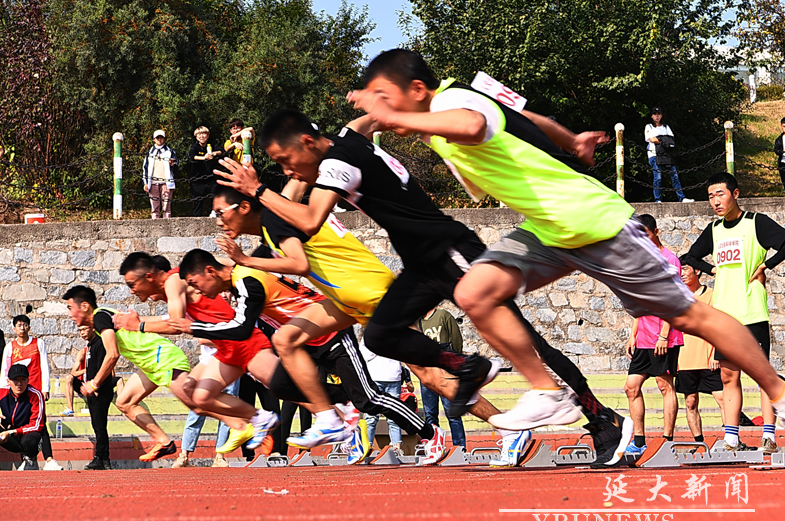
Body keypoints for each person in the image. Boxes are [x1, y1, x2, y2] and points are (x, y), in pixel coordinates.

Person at [347, 48, 785, 453]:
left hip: (594, 223)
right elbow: (521, 118)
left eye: (386, 98)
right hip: (551, 228)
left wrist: (396, 119)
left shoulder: (449, 106)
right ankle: (548, 392)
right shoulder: (459, 98)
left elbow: (474, 124)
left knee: (690, 316)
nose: (382, 109)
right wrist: (570, 140)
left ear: (417, 90)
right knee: (475, 292)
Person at [214, 110, 632, 468]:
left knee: (527, 342)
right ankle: (467, 366)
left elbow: (307, 222)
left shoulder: (335, 166)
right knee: (381, 336)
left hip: (448, 249)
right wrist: (394, 113)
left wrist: (257, 190)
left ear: (307, 142)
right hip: (419, 264)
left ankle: (603, 421)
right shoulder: (346, 136)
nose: (286, 169)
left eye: (285, 160)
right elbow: (369, 119)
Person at [173, 248, 441, 465]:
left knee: (368, 398)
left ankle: (430, 434)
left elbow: (242, 329)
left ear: (210, 271)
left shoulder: (246, 280)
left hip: (329, 335)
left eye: (196, 284)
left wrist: (192, 327)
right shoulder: (240, 278)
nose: (198, 292)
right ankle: (340, 411)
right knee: (281, 385)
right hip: (303, 343)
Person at [115, 251, 279, 457]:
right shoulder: (173, 288)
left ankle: (327, 412)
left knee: (292, 390)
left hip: (243, 343)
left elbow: (175, 325)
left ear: (149, 277)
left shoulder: (173, 281)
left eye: (132, 284)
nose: (131, 291)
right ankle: (251, 421)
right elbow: (169, 318)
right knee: (197, 394)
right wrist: (136, 323)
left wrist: (139, 326)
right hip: (227, 347)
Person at [682, 172, 785, 452]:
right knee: (727, 377)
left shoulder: (755, 222)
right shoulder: (714, 229)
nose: (715, 201)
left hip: (752, 311)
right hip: (724, 315)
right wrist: (713, 269)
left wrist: (765, 266)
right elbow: (689, 256)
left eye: (720, 194)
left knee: (762, 376)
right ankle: (732, 438)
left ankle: (769, 436)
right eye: (711, 196)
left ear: (735, 194)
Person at [62, 285, 193, 462]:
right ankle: (164, 442)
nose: (69, 315)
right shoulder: (105, 315)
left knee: (200, 403)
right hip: (150, 365)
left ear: (84, 306)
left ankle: (241, 421)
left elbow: (112, 354)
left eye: (71, 308)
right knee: (124, 402)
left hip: (163, 358)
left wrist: (94, 383)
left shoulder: (99, 317)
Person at [623, 215, 683, 455]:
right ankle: (639, 441)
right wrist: (633, 335)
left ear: (656, 232)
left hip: (664, 335)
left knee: (664, 385)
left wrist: (664, 334)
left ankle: (667, 442)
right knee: (631, 387)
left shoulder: (670, 260)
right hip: (644, 337)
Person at [0, 314, 63, 470]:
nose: (22, 328)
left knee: (40, 425)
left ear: (29, 327)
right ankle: (28, 459)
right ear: (14, 328)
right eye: (19, 325)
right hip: (16, 392)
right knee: (20, 424)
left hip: (34, 391)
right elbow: (5, 370)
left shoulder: (38, 343)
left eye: (25, 325)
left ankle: (49, 459)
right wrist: (4, 395)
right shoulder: (10, 347)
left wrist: (45, 388)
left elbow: (44, 366)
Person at [676, 254, 724, 443]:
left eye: (686, 269)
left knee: (722, 399)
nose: (682, 273)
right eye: (679, 269)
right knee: (690, 402)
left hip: (708, 358)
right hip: (684, 358)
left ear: (697, 270)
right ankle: (699, 442)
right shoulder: (677, 296)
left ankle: (731, 440)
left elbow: (718, 326)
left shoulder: (712, 295)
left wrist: (715, 353)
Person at [66, 325, 118, 470]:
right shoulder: (90, 346)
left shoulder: (100, 344)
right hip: (92, 389)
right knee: (97, 424)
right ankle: (104, 458)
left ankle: (100, 457)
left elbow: (103, 367)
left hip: (100, 390)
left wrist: (96, 386)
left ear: (93, 328)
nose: (82, 333)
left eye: (84, 329)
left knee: (99, 425)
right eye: (80, 330)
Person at [416, 307, 467, 450]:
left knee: (452, 412)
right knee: (430, 414)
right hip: (427, 371)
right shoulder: (417, 322)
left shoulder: (443, 316)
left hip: (445, 369)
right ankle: (434, 446)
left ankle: (459, 447)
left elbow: (457, 340)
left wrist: (454, 364)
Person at [359, 341, 406, 454]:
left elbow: (402, 352)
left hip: (393, 377)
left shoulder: (396, 334)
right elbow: (363, 355)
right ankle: (367, 447)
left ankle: (397, 446)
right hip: (375, 377)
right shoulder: (369, 334)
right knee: (371, 416)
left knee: (394, 415)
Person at [0, 364, 45, 470]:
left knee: (31, 439)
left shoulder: (35, 395)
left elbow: (36, 425)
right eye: (15, 380)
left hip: (26, 434)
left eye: (23, 379)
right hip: (8, 435)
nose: (19, 384)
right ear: (8, 381)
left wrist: (11, 432)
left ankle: (30, 459)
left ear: (28, 380)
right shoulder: (2, 393)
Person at [645, 107, 693, 203]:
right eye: (655, 114)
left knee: (674, 176)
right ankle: (657, 199)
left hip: (667, 155)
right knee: (658, 177)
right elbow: (652, 139)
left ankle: (681, 197)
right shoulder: (649, 127)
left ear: (661, 115)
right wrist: (664, 140)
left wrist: (660, 140)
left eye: (658, 114)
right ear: (652, 116)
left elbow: (671, 140)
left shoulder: (666, 127)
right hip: (654, 154)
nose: (657, 116)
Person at [188, 126, 223, 216]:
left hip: (210, 177)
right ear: (196, 137)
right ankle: (197, 219)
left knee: (216, 193)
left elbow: (221, 151)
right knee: (197, 201)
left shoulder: (211, 144)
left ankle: (215, 212)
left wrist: (214, 153)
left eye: (204, 134)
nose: (202, 136)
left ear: (207, 135)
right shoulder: (194, 146)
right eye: (199, 134)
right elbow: (191, 157)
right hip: (197, 178)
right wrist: (203, 158)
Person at [142, 129, 177, 218]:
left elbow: (176, 167)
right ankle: (155, 226)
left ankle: (167, 226)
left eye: (161, 138)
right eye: (157, 138)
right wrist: (145, 182)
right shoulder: (150, 152)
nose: (159, 140)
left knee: (166, 207)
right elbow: (145, 168)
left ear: (164, 139)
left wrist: (173, 165)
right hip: (153, 182)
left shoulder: (170, 151)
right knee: (154, 207)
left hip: (166, 182)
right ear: (154, 139)